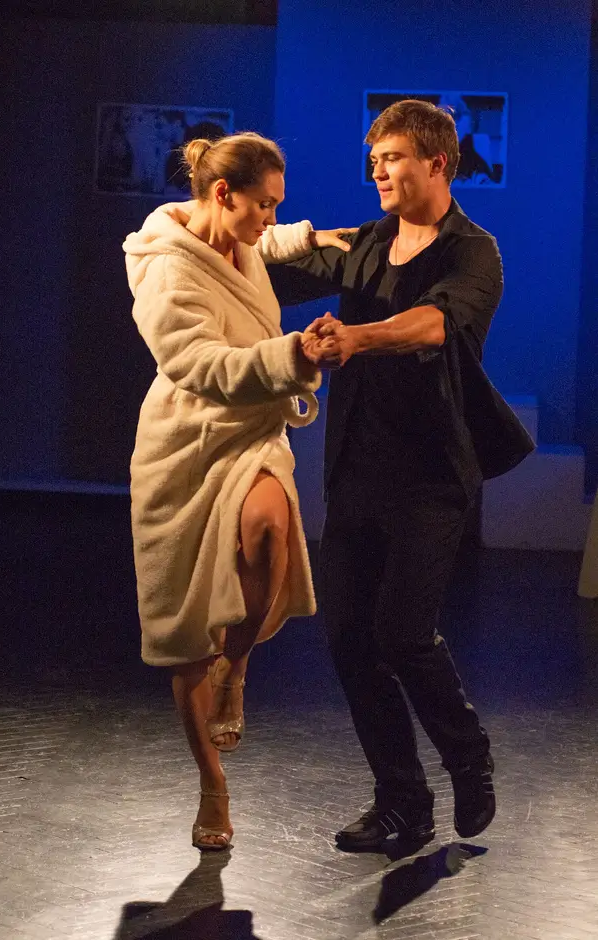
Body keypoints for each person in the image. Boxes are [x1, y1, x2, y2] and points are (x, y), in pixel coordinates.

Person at [267, 100, 534, 851]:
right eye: (374, 160)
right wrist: (198, 233)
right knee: (349, 639)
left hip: (431, 476)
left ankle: (467, 755)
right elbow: (266, 272)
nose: (379, 172)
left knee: (403, 634)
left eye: (392, 159)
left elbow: (434, 324)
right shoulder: (365, 242)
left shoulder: (472, 252)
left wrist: (357, 336)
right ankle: (401, 803)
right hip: (356, 468)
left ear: (437, 163)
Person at [122, 131, 348, 851]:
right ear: (223, 194)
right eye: (264, 204)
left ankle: (238, 663)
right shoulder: (164, 269)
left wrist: (307, 236)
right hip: (185, 445)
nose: (268, 218)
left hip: (250, 431)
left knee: (272, 529)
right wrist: (294, 353)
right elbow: (196, 364)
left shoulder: (236, 235)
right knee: (189, 636)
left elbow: (258, 245)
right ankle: (212, 787)